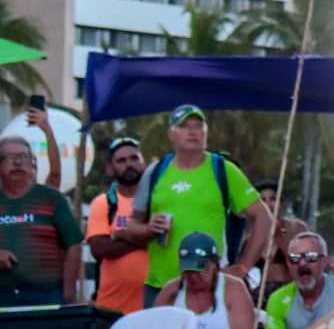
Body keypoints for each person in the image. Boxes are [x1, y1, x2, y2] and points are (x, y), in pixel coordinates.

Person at [109, 106, 271, 308]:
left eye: (198, 125)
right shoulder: (156, 171)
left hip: (210, 286)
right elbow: (133, 224)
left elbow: (263, 217)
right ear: (171, 135)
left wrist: (243, 267)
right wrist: (148, 229)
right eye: (184, 126)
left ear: (205, 132)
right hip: (160, 286)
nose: (192, 131)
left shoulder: (223, 169)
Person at [0, 135, 84, 307]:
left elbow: (73, 244)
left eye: (24, 157)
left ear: (33, 165)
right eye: (11, 158)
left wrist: (68, 292)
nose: (18, 162)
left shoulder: (51, 198)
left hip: (48, 293)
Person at [153, 231, 258, 329]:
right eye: (188, 270)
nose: (193, 276)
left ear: (214, 264)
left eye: (199, 269)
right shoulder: (170, 291)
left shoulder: (234, 288)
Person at [85, 138, 151, 314]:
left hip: (156, 303)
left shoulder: (158, 201)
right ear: (110, 169)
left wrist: (122, 235)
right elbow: (99, 248)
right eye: (121, 161)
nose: (129, 164)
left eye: (134, 158)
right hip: (113, 307)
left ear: (143, 162)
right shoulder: (104, 203)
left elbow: (168, 238)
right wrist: (146, 235)